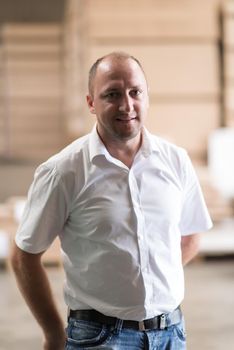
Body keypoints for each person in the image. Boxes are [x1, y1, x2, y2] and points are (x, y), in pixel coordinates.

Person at [11, 51, 212, 350]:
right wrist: (53, 332)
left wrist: (148, 285)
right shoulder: (64, 171)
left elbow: (191, 236)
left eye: (135, 92)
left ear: (147, 96)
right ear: (91, 103)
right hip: (99, 338)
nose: (126, 105)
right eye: (112, 94)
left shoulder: (176, 161)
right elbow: (24, 256)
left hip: (170, 333)